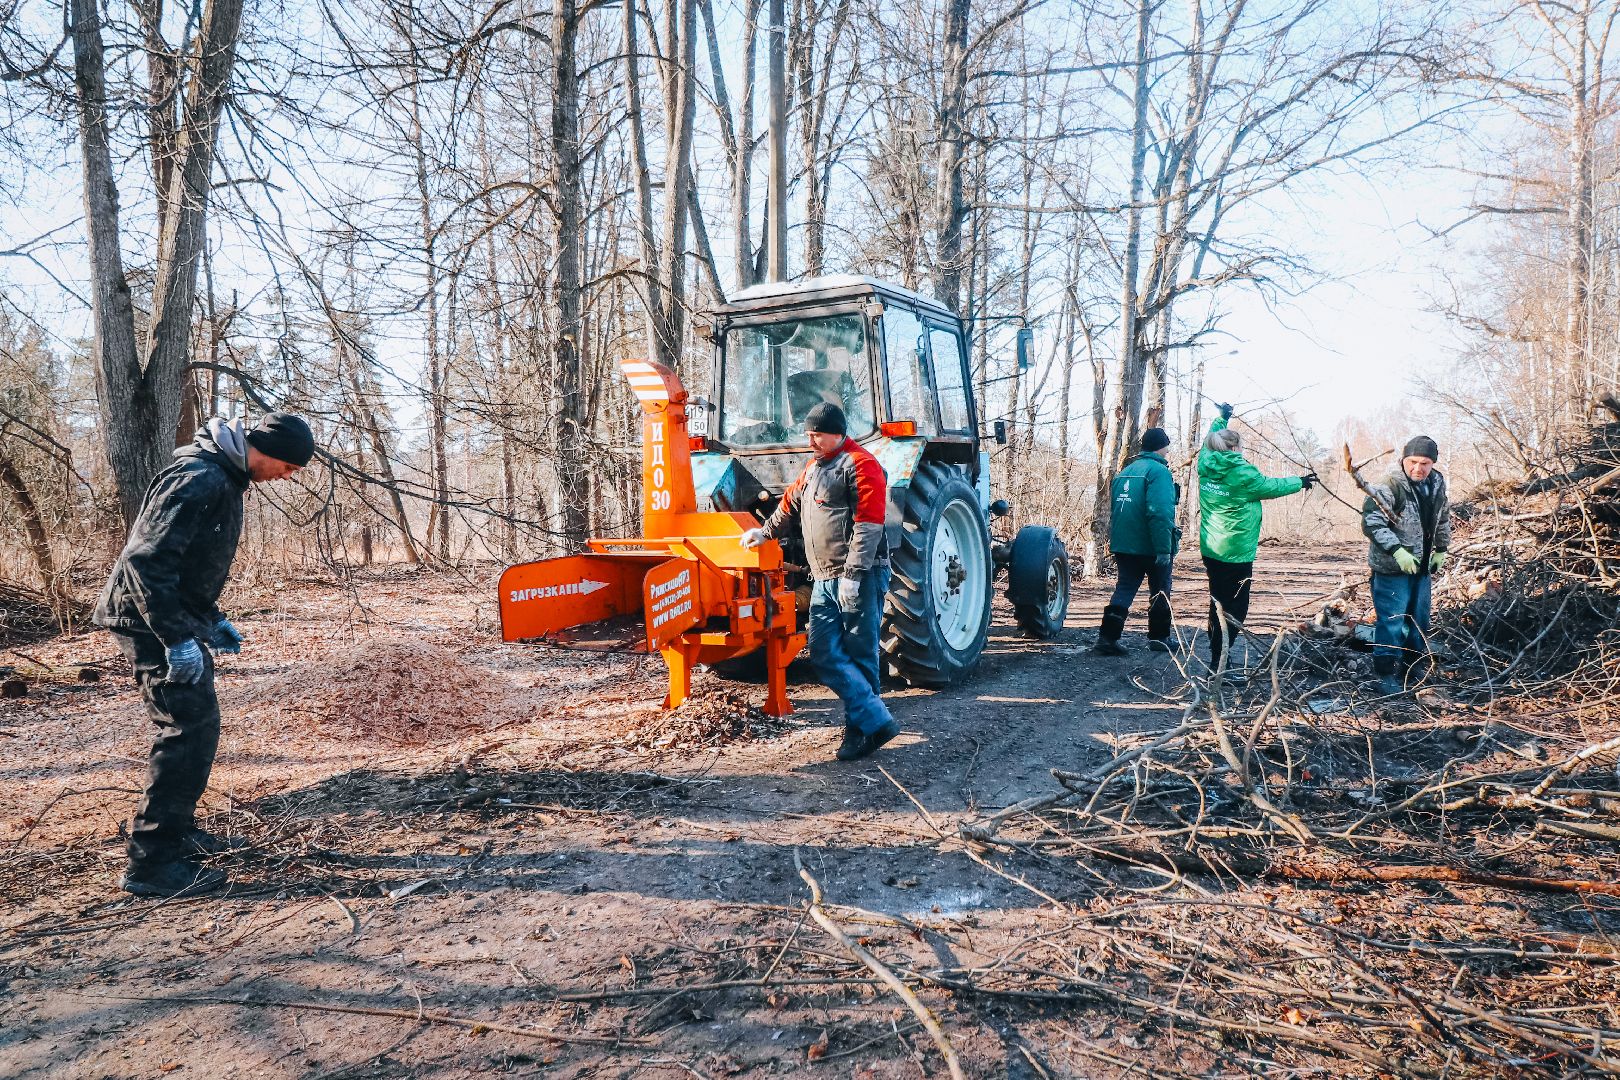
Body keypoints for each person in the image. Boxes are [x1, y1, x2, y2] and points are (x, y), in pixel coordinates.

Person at [95, 412, 314, 897]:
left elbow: (189, 563)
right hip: (147, 618)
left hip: (172, 615)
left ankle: (178, 833)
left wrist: (209, 618)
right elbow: (146, 562)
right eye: (288, 465)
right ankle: (152, 863)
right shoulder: (199, 477)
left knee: (199, 726)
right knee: (185, 728)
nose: (288, 475)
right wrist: (175, 638)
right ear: (264, 448)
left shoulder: (224, 477)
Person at [741, 402, 899, 760]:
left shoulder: (861, 465)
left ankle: (860, 732)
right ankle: (876, 720)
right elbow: (789, 505)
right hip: (824, 578)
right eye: (808, 434)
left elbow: (869, 526)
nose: (810, 441)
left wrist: (854, 576)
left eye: (817, 435)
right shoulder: (814, 468)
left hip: (859, 576)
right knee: (823, 652)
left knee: (860, 653)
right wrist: (765, 533)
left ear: (838, 433)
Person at [1196, 404, 1316, 671]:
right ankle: (1220, 661)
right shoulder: (1240, 472)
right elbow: (1269, 486)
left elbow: (1208, 440)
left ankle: (1218, 655)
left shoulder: (1206, 462)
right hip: (1235, 552)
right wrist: (1299, 482)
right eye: (1240, 447)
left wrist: (1221, 418)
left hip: (1211, 547)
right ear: (1234, 447)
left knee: (1217, 602)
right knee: (1235, 608)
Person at [1362, 435, 1451, 696]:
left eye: (1425, 463)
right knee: (1392, 621)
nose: (1418, 468)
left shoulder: (1436, 483)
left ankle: (1412, 669)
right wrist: (1397, 551)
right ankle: (1386, 674)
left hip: (1421, 568)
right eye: (1413, 462)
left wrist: (1441, 548)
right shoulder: (1389, 485)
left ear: (1433, 463)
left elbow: (1443, 517)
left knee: (1419, 621)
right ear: (1403, 460)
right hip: (1391, 569)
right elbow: (1371, 523)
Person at [1095, 427, 1179, 656]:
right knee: (1160, 590)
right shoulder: (1159, 472)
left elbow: (1117, 511)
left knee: (1124, 588)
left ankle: (1107, 638)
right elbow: (1160, 513)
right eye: (1167, 447)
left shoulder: (1125, 472)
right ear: (1161, 447)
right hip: (1151, 546)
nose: (1168, 451)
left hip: (1124, 545)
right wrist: (1164, 549)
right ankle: (1160, 638)